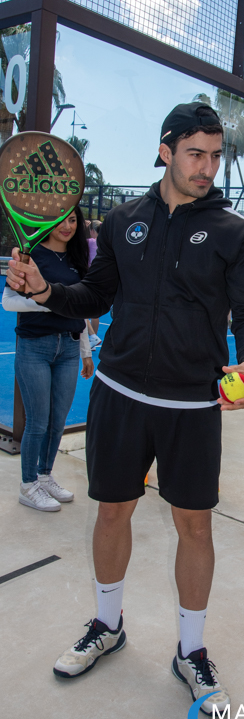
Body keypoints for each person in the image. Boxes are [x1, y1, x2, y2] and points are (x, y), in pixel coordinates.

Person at [7, 102, 244, 715]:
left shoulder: (235, 232)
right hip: (121, 394)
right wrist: (45, 290)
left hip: (192, 405)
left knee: (195, 526)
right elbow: (95, 294)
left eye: (214, 155)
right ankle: (107, 624)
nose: (206, 167)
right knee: (111, 513)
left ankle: (192, 651)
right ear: (166, 150)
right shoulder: (123, 219)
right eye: (194, 154)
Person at [2, 207, 94, 512]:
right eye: (62, 219)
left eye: (73, 220)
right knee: (38, 422)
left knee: (57, 422)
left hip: (68, 349)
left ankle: (44, 476)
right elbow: (8, 301)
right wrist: (50, 303)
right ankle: (28, 485)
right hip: (35, 348)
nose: (67, 226)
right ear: (49, 221)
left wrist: (85, 351)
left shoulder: (78, 261)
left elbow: (78, 309)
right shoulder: (30, 255)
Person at [86, 220, 102, 350]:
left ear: (92, 231)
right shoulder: (104, 244)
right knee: (95, 313)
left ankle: (92, 337)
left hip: (89, 278)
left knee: (82, 310)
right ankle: (93, 338)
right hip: (100, 279)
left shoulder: (89, 242)